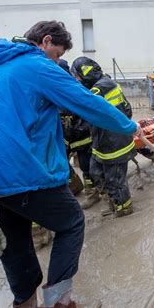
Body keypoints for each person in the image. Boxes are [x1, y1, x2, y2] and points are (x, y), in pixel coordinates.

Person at [0, 21, 141, 308]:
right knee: (71, 222)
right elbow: (87, 103)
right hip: (24, 169)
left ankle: (24, 302)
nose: (58, 61)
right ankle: (59, 301)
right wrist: (128, 125)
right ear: (45, 41)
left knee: (15, 242)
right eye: (57, 54)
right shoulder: (36, 66)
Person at [71, 57, 137, 217]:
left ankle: (124, 209)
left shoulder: (97, 91)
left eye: (77, 77)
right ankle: (113, 200)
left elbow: (88, 116)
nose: (76, 80)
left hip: (115, 144)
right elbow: (127, 110)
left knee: (115, 180)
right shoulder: (105, 82)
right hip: (102, 142)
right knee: (95, 172)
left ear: (84, 76)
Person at [58, 59, 96, 206]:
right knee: (64, 167)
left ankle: (92, 193)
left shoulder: (76, 86)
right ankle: (73, 190)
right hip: (65, 137)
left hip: (82, 135)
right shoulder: (52, 85)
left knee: (86, 166)